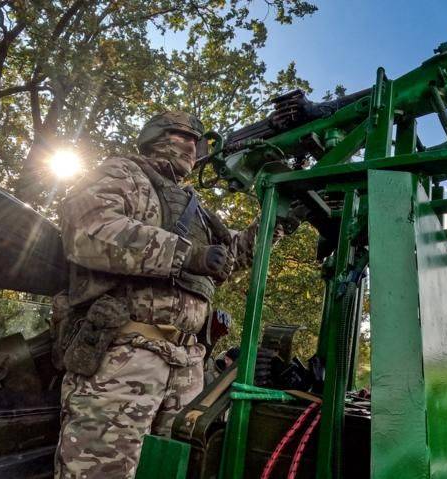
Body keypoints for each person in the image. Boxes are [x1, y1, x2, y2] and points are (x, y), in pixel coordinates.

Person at [52, 111, 296, 478]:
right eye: (184, 136)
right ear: (155, 135)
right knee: (101, 470)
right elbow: (89, 230)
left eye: (197, 142)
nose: (193, 147)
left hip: (186, 362)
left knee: (176, 469)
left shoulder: (196, 208)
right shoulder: (122, 173)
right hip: (126, 353)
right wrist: (186, 254)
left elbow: (233, 256)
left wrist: (276, 220)